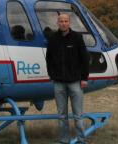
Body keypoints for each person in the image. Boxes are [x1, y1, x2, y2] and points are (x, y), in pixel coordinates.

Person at [45, 13, 90, 144]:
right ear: (57, 23)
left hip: (75, 82)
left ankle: (81, 140)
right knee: (62, 115)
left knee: (78, 115)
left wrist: (84, 78)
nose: (63, 23)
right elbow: (49, 59)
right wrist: (52, 75)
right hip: (59, 83)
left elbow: (84, 59)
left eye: (66, 21)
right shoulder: (53, 39)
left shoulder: (77, 38)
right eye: (61, 21)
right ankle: (64, 140)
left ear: (69, 23)